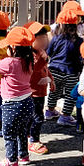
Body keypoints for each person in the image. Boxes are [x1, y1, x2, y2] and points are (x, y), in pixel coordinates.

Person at [0, 27, 36, 166]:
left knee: (9, 133)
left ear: (12, 47)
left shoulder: (10, 63)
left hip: (12, 105)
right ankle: (23, 156)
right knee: (22, 131)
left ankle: (11, 160)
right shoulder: (29, 61)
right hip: (28, 103)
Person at [45, 9, 84, 126]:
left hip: (54, 70)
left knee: (54, 91)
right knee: (70, 95)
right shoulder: (79, 41)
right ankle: (65, 116)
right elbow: (80, 57)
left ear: (60, 24)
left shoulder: (55, 38)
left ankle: (50, 111)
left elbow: (49, 53)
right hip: (71, 71)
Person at [25, 21, 55, 155]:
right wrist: (43, 59)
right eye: (40, 39)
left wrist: (52, 80)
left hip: (41, 92)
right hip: (32, 93)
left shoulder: (40, 51)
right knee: (36, 117)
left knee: (33, 117)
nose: (44, 42)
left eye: (45, 38)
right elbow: (35, 69)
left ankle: (27, 137)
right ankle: (33, 140)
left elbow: (45, 69)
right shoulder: (30, 55)